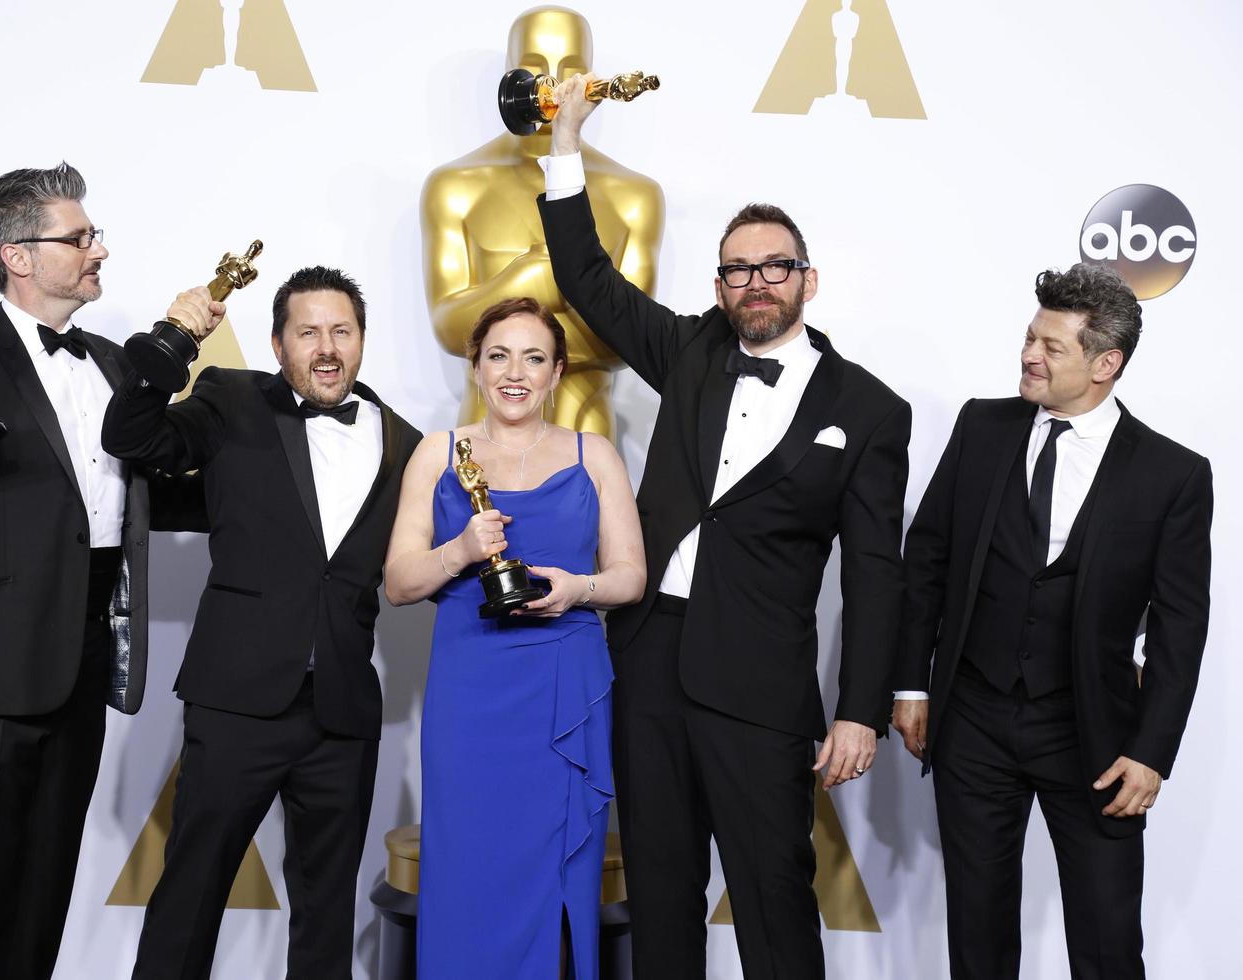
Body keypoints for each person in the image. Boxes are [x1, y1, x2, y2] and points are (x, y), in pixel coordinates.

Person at [536, 78, 911, 977]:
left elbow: (874, 574)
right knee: (660, 893)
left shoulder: (868, 409)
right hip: (649, 658)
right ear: (719, 284)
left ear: (807, 279)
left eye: (774, 266)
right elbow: (586, 277)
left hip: (761, 682)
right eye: (738, 269)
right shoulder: (693, 349)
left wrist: (861, 709)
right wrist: (566, 141)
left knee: (774, 895)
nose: (756, 284)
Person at [0, 162, 203, 978]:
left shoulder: (110, 363)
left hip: (81, 667)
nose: (98, 249)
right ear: (19, 256)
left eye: (92, 234)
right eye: (80, 236)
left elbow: (145, 494)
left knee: (39, 905)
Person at [893, 263, 1212, 980]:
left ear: (1107, 364)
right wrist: (912, 685)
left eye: (1053, 347)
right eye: (1030, 337)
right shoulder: (982, 425)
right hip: (972, 716)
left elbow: (1181, 624)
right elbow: (930, 560)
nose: (1030, 356)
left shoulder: (1173, 474)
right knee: (978, 935)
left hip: (1094, 734)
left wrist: (1152, 751)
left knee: (1105, 942)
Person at [102, 265, 422, 980]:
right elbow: (133, 437)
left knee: (326, 914)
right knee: (189, 895)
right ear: (278, 344)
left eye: (341, 331)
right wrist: (176, 340)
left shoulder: (408, 442)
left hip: (342, 711)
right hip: (237, 700)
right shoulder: (231, 399)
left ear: (363, 340)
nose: (327, 347)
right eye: (307, 332)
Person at [383, 296, 646, 979]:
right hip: (471, 697)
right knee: (469, 865)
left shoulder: (596, 457)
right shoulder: (438, 454)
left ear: (558, 373)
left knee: (557, 876)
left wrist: (577, 589)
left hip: (563, 686)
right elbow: (399, 581)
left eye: (534, 357)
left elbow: (631, 577)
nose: (515, 372)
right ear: (475, 367)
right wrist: (462, 550)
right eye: (498, 355)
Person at [421, 5, 663, 436]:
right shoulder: (456, 186)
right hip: (483, 432)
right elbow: (449, 326)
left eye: (572, 69)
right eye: (535, 67)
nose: (555, 85)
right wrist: (541, 280)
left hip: (587, 433)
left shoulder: (635, 197)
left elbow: (627, 342)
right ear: (511, 72)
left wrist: (502, 318)